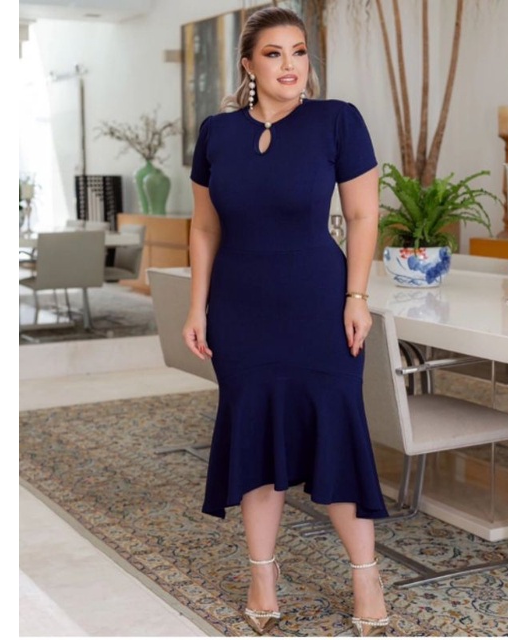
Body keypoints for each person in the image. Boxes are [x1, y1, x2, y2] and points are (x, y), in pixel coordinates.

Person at [182, 6, 390, 637]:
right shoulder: (217, 133)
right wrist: (196, 306)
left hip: (318, 305)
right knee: (253, 436)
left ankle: (366, 576)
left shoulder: (337, 120)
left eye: (299, 51)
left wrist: (356, 296)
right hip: (241, 311)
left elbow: (363, 216)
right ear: (248, 64)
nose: (290, 65)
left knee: (338, 430)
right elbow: (205, 227)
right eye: (274, 53)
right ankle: (262, 578)